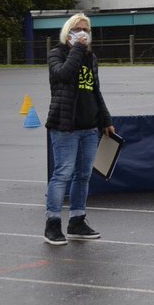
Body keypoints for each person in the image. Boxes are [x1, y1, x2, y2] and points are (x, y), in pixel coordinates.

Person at [44, 13, 116, 245]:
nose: (83, 32)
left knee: (83, 175)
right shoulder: (57, 53)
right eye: (77, 29)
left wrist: (105, 119)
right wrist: (76, 49)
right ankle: (52, 224)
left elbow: (95, 90)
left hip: (89, 126)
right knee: (62, 173)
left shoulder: (90, 57)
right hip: (65, 125)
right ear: (68, 32)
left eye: (86, 29)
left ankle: (77, 221)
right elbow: (62, 75)